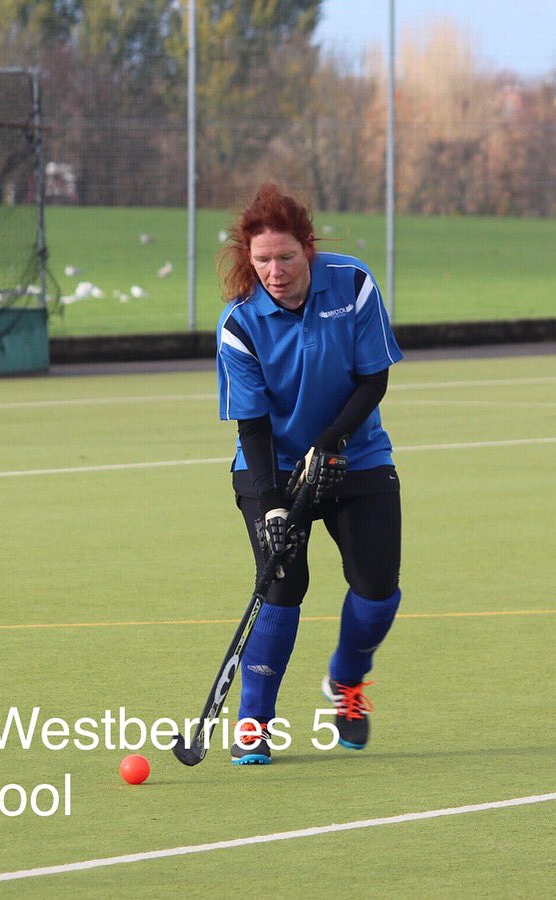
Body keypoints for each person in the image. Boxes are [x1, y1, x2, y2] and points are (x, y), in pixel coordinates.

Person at [216, 183, 403, 765]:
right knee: (283, 585)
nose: (275, 271)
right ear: (250, 259)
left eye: (287, 257)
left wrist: (330, 444)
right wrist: (273, 503)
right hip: (270, 464)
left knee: (377, 592)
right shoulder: (240, 323)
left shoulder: (352, 283)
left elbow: (373, 379)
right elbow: (252, 424)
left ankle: (346, 680)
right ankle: (255, 720)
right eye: (263, 260)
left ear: (309, 249)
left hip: (355, 454)